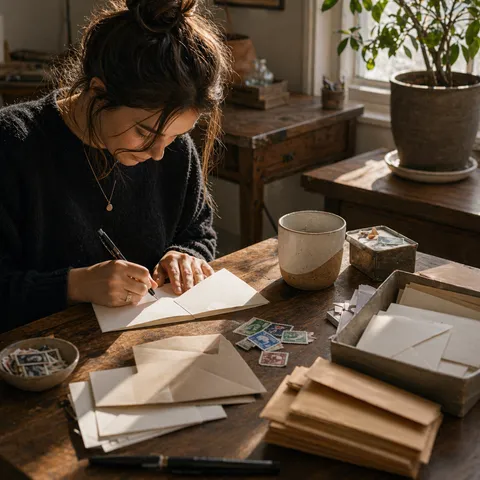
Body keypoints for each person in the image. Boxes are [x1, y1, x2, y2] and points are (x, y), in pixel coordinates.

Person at [0, 0, 231, 332]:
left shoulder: (171, 146)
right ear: (97, 92)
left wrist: (186, 255)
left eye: (176, 135)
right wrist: (74, 285)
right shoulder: (13, 145)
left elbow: (198, 231)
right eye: (144, 132)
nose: (158, 154)